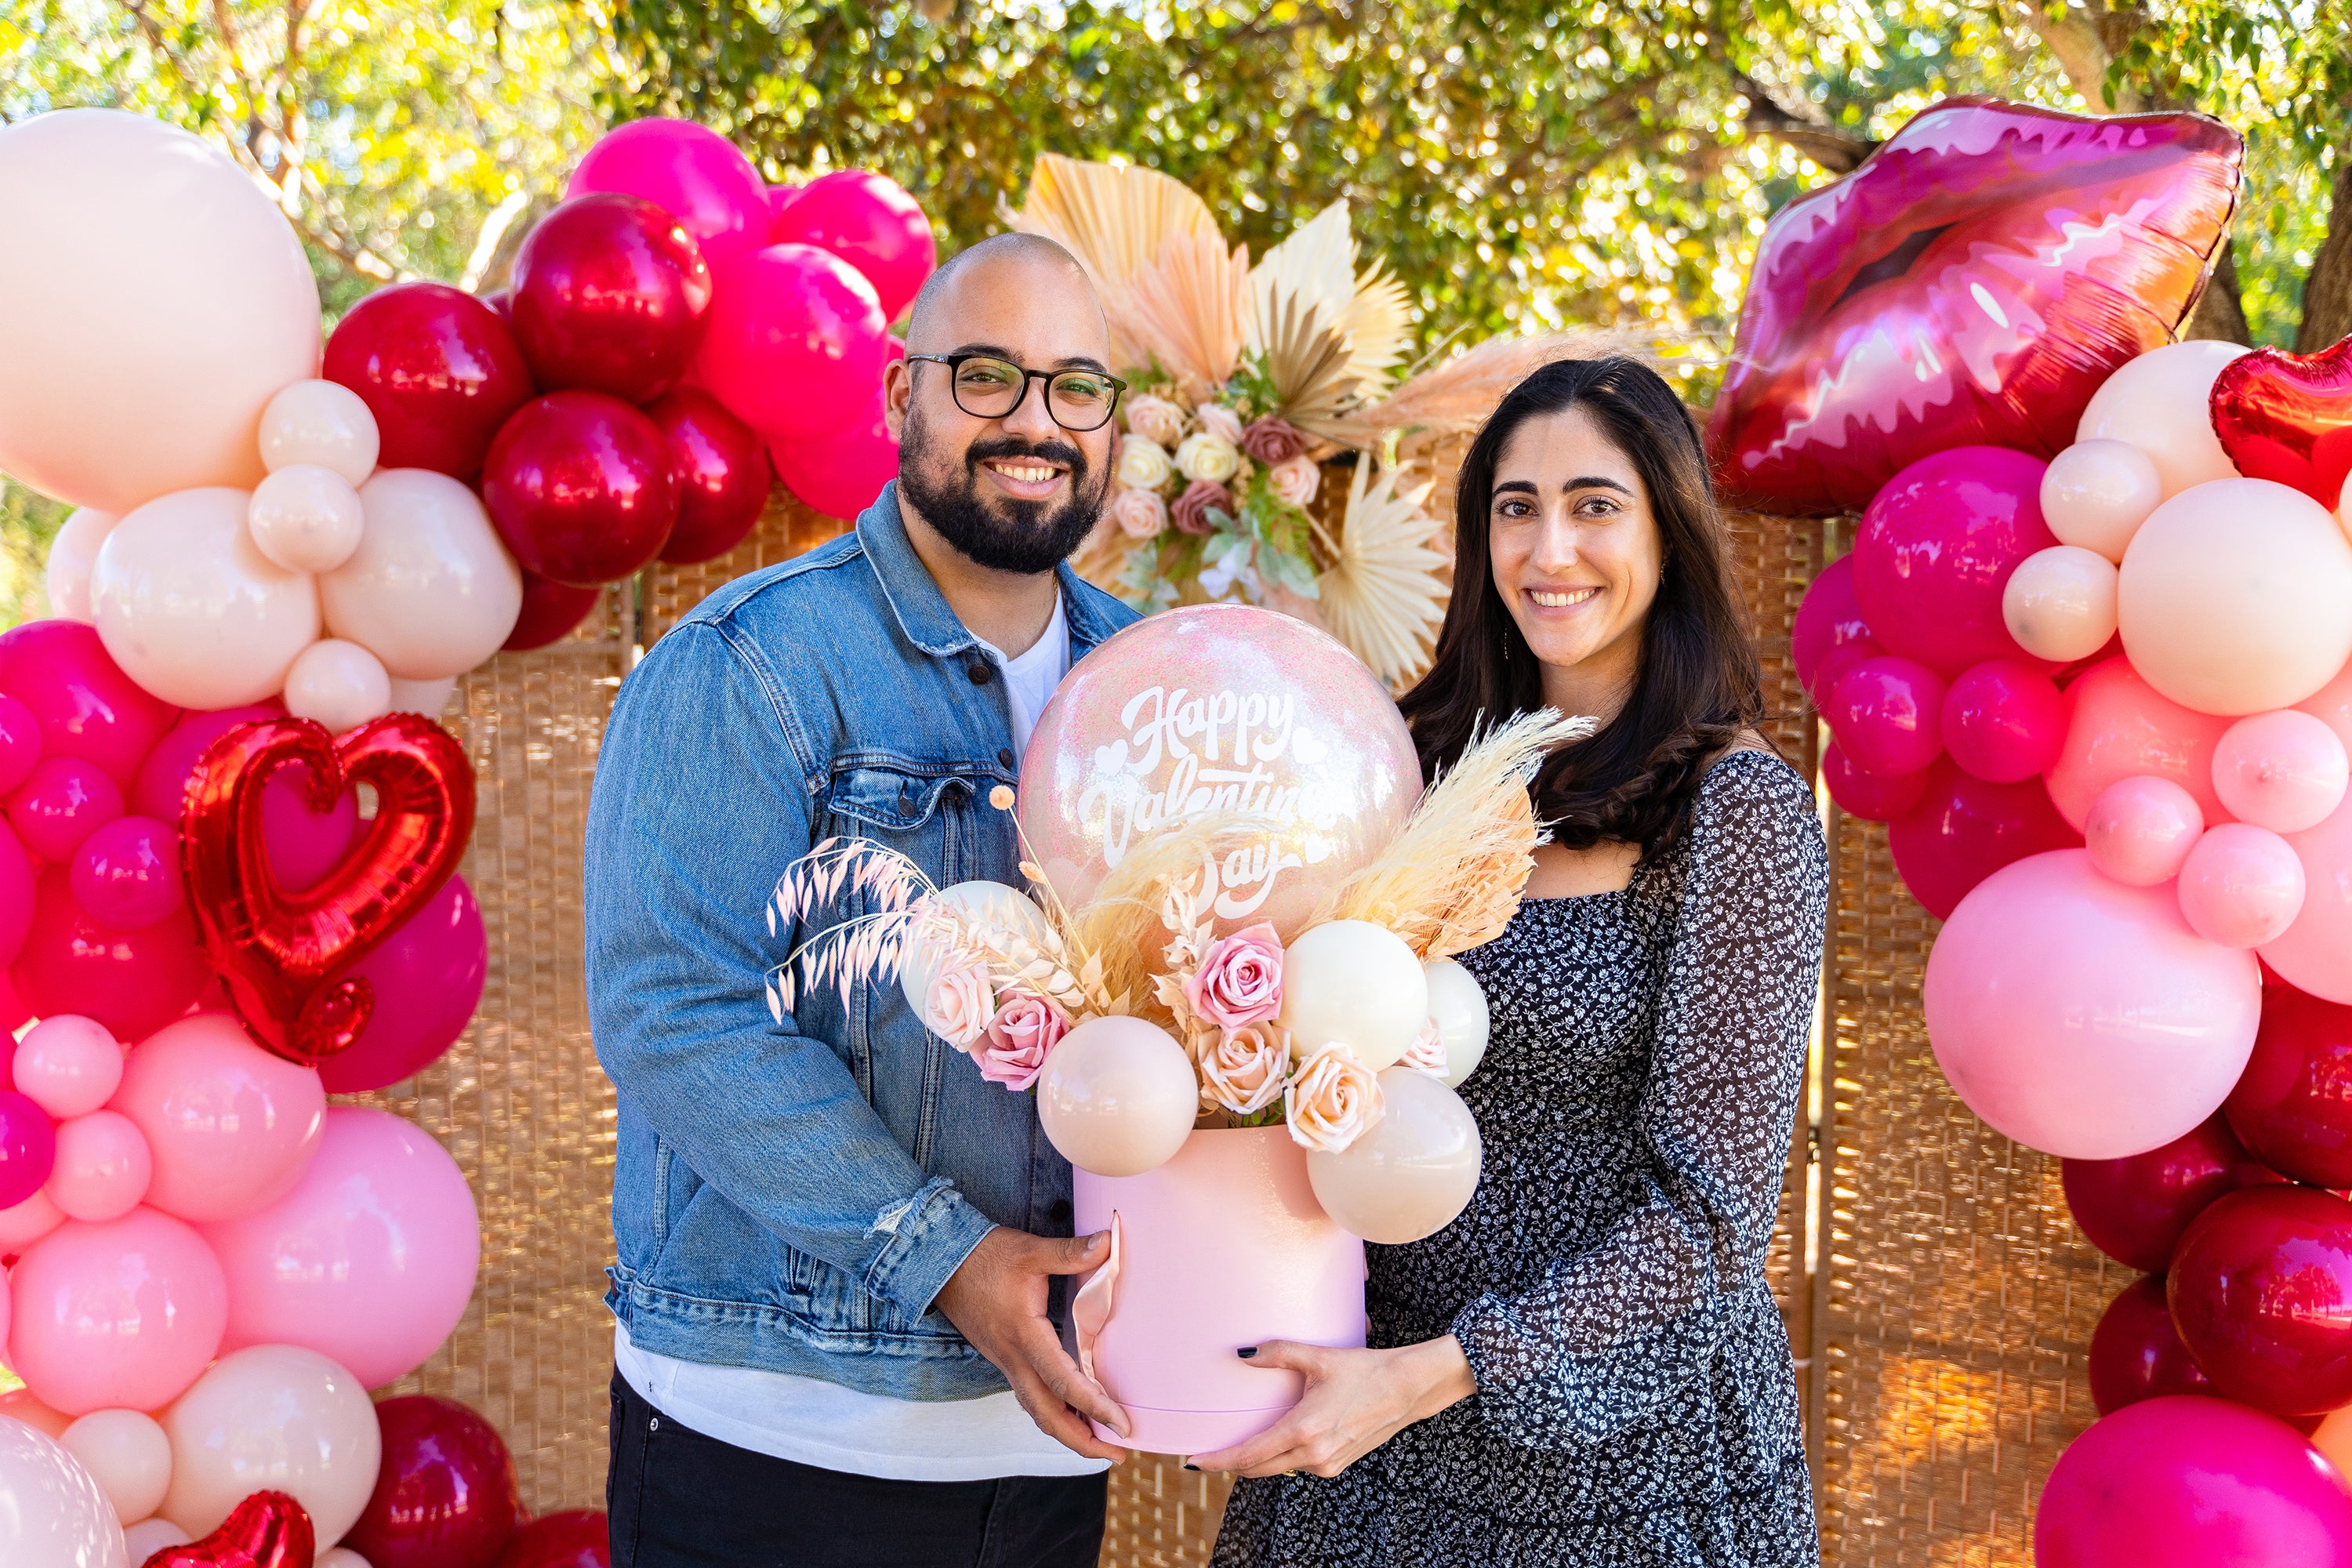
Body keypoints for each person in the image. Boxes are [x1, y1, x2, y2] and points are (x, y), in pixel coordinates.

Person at [1206, 357, 1828, 1566]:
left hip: (1618, 1454)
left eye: (1596, 505)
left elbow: (1712, 1218)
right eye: (1516, 506)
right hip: (1361, 1429)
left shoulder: (1734, 809)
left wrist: (1439, 1376)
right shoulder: (1406, 770)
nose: (1552, 549)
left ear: (1669, 529)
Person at [585, 232, 1143, 1568]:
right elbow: (673, 1009)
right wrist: (951, 1259)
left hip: (1044, 1441)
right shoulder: (752, 662)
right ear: (903, 397)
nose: (1036, 423)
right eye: (989, 376)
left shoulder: (1148, 683)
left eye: (1078, 387)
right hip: (778, 1435)